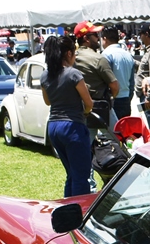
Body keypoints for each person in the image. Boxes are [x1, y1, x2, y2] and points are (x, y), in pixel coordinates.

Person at [40, 35, 94, 197]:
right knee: (81, 177)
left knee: (71, 174)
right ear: (69, 54)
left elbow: (48, 102)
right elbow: (88, 103)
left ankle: (68, 209)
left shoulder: (45, 75)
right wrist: (85, 112)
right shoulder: (73, 74)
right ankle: (80, 214)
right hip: (72, 126)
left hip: (54, 127)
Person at [73, 20, 120, 144]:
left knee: (87, 144)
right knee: (116, 140)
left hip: (80, 108)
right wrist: (111, 98)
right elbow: (114, 86)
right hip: (101, 107)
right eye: (95, 35)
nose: (98, 38)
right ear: (86, 39)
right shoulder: (98, 59)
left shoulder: (72, 59)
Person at [101, 26, 135, 121]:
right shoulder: (128, 54)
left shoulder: (106, 54)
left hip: (113, 100)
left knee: (111, 134)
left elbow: (107, 79)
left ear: (105, 39)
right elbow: (132, 81)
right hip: (126, 98)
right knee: (124, 132)